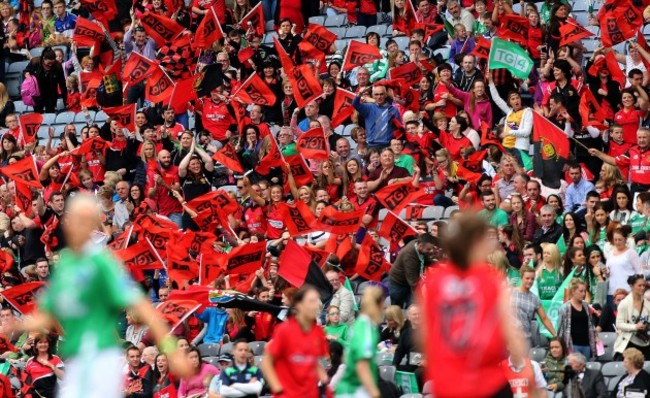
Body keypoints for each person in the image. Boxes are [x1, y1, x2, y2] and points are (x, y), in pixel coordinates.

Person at [25, 194, 190, 398]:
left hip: (102, 356)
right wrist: (16, 326)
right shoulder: (66, 263)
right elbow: (47, 313)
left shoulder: (103, 264)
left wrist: (171, 349)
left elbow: (142, 308)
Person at [421, 214, 529, 398]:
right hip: (485, 381)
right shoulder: (488, 281)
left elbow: (425, 335)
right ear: (475, 242)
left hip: (448, 383)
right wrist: (525, 370)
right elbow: (511, 332)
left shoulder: (433, 281)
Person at [261, 285, 329, 398]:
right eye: (311, 302)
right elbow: (267, 363)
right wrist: (278, 389)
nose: (316, 305)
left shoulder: (317, 332)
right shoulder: (284, 330)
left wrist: (326, 381)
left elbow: (313, 361)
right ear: (300, 305)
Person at [336, 286, 383, 398]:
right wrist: (375, 393)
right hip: (355, 390)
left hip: (348, 388)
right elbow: (362, 365)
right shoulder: (366, 329)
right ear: (380, 304)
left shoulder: (358, 324)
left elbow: (346, 358)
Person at [388, 233, 438, 308]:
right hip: (398, 282)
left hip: (409, 281)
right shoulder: (409, 256)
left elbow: (424, 258)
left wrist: (437, 264)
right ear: (421, 246)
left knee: (412, 305)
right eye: (428, 249)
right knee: (397, 308)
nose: (430, 251)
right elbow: (413, 282)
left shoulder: (417, 244)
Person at [511, 265, 557, 345]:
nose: (530, 281)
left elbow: (544, 318)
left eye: (532, 279)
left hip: (525, 339)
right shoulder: (510, 292)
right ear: (521, 278)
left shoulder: (535, 299)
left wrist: (555, 335)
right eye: (527, 278)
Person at [557, 279, 597, 359]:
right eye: (581, 291)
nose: (583, 294)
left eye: (584, 291)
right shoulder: (564, 308)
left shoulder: (586, 306)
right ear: (573, 291)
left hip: (587, 344)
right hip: (572, 345)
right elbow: (560, 330)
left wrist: (596, 336)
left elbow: (590, 325)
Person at [614, 275, 650, 358]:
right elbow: (619, 324)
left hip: (645, 341)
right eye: (639, 285)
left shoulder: (647, 303)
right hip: (630, 342)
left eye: (644, 285)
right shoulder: (624, 303)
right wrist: (635, 327)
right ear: (632, 286)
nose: (642, 288)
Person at [23, 333, 64, 398]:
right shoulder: (30, 361)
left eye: (45, 342)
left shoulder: (55, 359)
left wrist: (51, 365)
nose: (43, 344)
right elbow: (26, 382)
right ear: (36, 345)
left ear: (48, 345)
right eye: (40, 342)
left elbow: (63, 377)